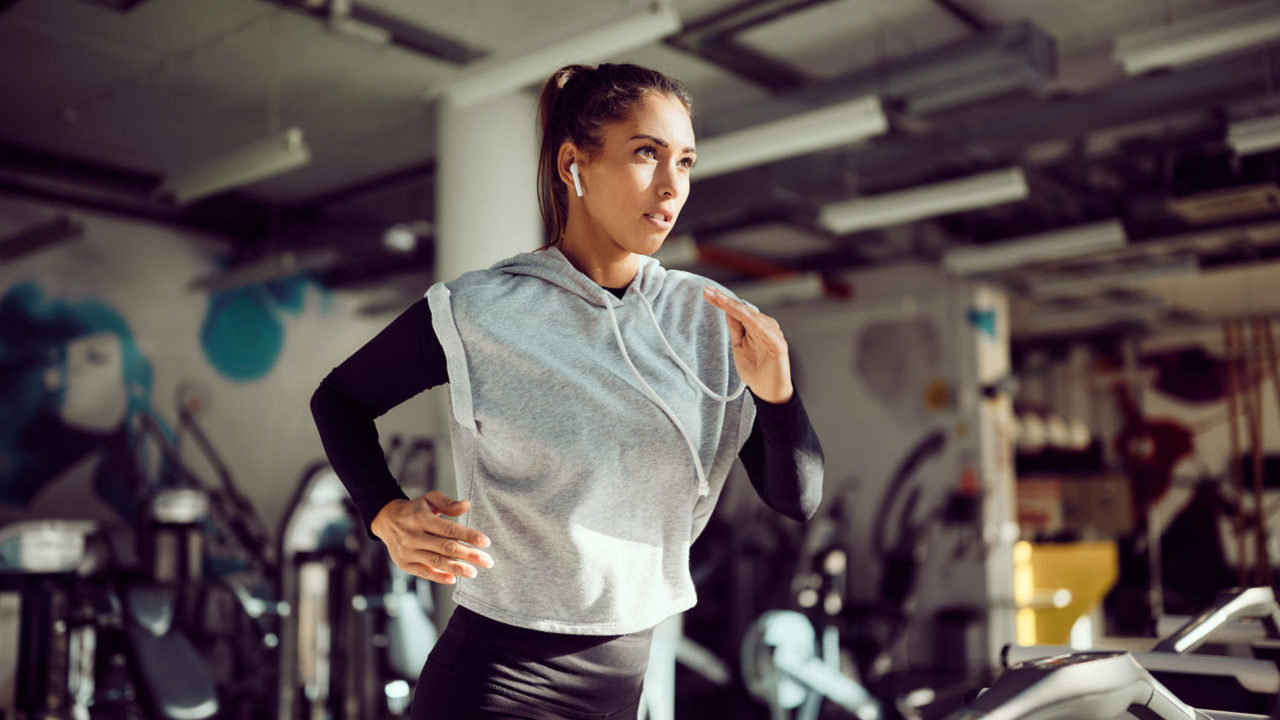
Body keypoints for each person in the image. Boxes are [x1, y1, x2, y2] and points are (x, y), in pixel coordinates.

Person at [311, 62, 824, 719]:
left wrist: (778, 397)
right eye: (646, 154)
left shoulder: (708, 319)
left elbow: (796, 498)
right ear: (572, 164)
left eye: (686, 162)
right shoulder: (483, 310)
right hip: (494, 686)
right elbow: (340, 399)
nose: (671, 186)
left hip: (622, 688)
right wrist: (384, 512)